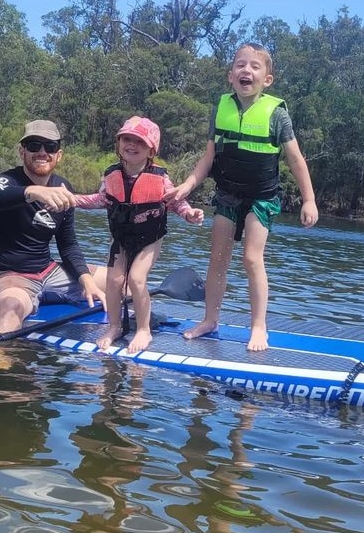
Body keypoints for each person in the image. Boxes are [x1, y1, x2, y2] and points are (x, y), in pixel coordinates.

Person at [164, 42, 319, 352]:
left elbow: (296, 160)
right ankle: (210, 320)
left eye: (255, 66)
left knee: (251, 258)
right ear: (230, 75)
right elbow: (208, 158)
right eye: (240, 65)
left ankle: (259, 327)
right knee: (218, 258)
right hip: (228, 194)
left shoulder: (276, 116)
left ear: (267, 80)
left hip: (261, 197)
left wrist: (309, 199)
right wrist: (187, 186)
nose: (246, 70)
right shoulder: (220, 108)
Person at [75, 116, 204, 353]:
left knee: (135, 279)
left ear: (151, 149)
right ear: (118, 143)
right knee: (114, 281)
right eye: (127, 139)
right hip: (122, 238)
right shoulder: (111, 175)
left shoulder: (160, 178)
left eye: (139, 142)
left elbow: (176, 202)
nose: (131, 145)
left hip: (150, 239)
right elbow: (100, 200)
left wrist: (189, 214)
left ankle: (144, 330)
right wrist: (72, 200)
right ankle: (115, 326)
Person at [0, 119, 107, 341]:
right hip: (8, 276)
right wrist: (33, 192)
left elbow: (68, 244)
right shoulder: (6, 181)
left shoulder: (63, 187)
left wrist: (86, 281)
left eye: (50, 147)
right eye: (34, 146)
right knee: (12, 310)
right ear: (22, 152)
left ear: (59, 154)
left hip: (48, 272)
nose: (42, 152)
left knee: (122, 281)